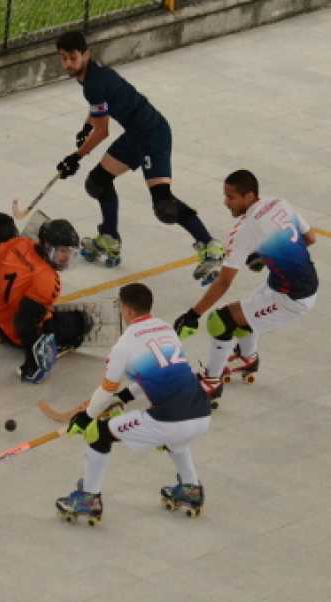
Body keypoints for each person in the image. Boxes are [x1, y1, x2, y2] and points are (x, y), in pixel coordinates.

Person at [55, 31, 223, 278]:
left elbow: (103, 131)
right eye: (63, 58)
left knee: (163, 205)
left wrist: (76, 156)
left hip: (153, 135)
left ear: (86, 54)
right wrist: (86, 126)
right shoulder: (90, 75)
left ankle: (211, 247)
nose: (68, 63)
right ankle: (110, 239)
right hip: (135, 134)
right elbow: (99, 112)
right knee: (98, 182)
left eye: (73, 57)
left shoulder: (93, 83)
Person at [56, 283, 211, 523]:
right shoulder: (167, 330)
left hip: (170, 421)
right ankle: (190, 488)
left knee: (98, 434)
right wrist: (125, 397)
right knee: (176, 438)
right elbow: (161, 375)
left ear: (127, 311)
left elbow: (106, 390)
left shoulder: (124, 345)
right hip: (201, 414)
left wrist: (85, 418)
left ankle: (89, 497)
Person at [173, 169, 318, 402]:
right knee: (241, 315)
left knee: (219, 322)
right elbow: (309, 238)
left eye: (231, 197)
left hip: (291, 298)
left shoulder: (246, 229)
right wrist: (269, 256)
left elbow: (223, 282)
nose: (225, 202)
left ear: (249, 196)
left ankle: (211, 383)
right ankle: (248, 358)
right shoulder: (280, 203)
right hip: (293, 282)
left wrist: (193, 314)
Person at [0, 212, 90, 384]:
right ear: (48, 247)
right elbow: (25, 324)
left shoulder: (19, 243)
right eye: (62, 251)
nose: (67, 257)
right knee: (80, 322)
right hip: (14, 331)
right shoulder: (47, 279)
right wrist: (33, 364)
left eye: (70, 252)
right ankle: (68, 336)